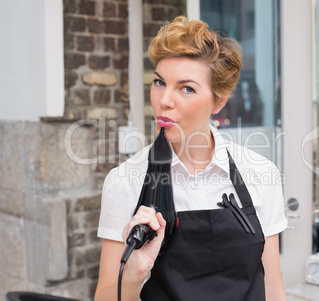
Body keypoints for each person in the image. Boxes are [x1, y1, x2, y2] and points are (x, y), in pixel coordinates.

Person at [95, 16, 288, 301]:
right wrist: (134, 273)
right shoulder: (124, 181)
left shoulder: (260, 173)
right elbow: (104, 297)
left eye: (186, 88)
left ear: (218, 101)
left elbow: (272, 289)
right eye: (159, 82)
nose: (164, 100)